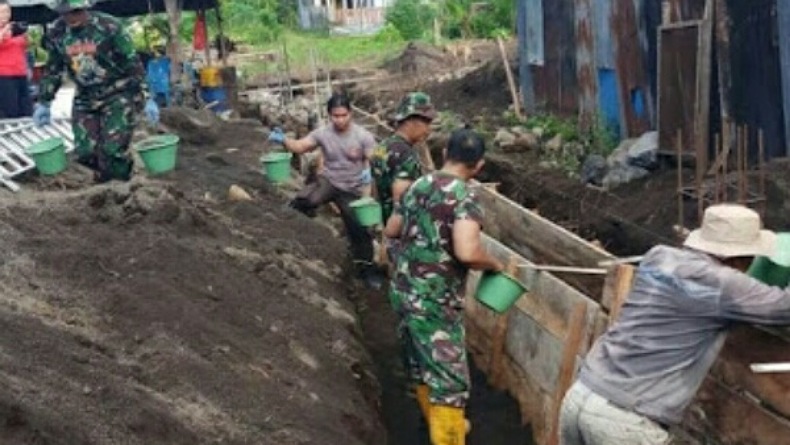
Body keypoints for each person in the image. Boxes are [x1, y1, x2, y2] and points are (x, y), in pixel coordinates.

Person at [559, 204, 790, 445]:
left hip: (582, 394)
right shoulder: (723, 284)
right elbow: (784, 308)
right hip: (625, 420)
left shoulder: (659, 257)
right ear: (743, 256)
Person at [384, 128, 504, 445]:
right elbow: (467, 251)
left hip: (404, 293)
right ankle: (447, 434)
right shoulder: (464, 197)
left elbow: (392, 228)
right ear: (478, 166)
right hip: (434, 303)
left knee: (421, 369)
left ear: (444, 153)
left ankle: (435, 427)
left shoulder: (417, 185)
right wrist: (493, 263)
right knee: (449, 385)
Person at [33, 0, 159, 183]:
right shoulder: (57, 33)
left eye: (76, 12)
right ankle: (103, 185)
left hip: (118, 92)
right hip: (85, 95)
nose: (71, 17)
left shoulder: (109, 26)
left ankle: (122, 187)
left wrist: (148, 97)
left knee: (113, 150)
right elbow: (54, 69)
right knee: (85, 151)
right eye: (66, 13)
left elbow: (133, 64)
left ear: (85, 8)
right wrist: (44, 101)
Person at [268, 93, 383, 289]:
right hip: (330, 181)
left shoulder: (363, 136)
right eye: (335, 116)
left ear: (350, 114)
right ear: (329, 115)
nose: (339, 120)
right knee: (309, 200)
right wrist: (283, 140)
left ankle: (366, 271)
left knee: (359, 231)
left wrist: (370, 169)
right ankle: (293, 216)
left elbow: (374, 157)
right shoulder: (323, 133)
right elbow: (301, 146)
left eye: (343, 115)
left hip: (353, 188)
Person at [0, 0, 33, 118]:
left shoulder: (15, 28)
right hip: (4, 75)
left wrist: (22, 33)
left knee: (26, 109)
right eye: (2, 12)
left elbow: (27, 45)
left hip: (20, 72)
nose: (5, 15)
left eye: (7, 11)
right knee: (10, 110)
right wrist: (4, 31)